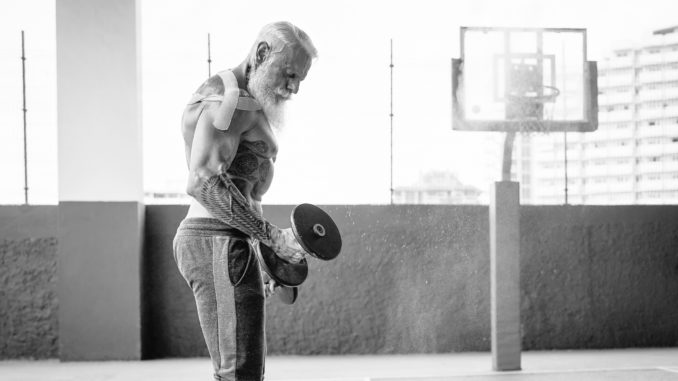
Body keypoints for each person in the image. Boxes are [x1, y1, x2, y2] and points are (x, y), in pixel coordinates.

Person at [172, 21, 317, 381]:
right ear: (262, 53)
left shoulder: (246, 100)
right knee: (239, 373)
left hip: (231, 241)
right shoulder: (229, 102)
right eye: (289, 74)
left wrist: (262, 254)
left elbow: (241, 186)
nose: (294, 87)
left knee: (242, 371)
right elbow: (203, 183)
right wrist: (272, 237)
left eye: (300, 79)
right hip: (215, 240)